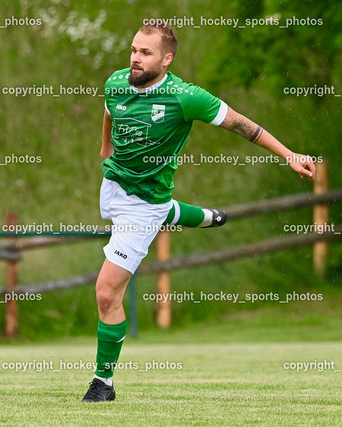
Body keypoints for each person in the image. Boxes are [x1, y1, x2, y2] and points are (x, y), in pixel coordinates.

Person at [82, 23, 315, 402]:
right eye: (133, 49)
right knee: (156, 216)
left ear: (167, 59)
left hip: (143, 207)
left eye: (146, 53)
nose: (135, 59)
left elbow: (242, 125)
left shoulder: (185, 97)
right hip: (112, 189)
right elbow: (110, 110)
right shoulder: (117, 81)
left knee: (106, 293)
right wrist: (105, 148)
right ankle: (188, 214)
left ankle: (102, 383)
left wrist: (290, 155)